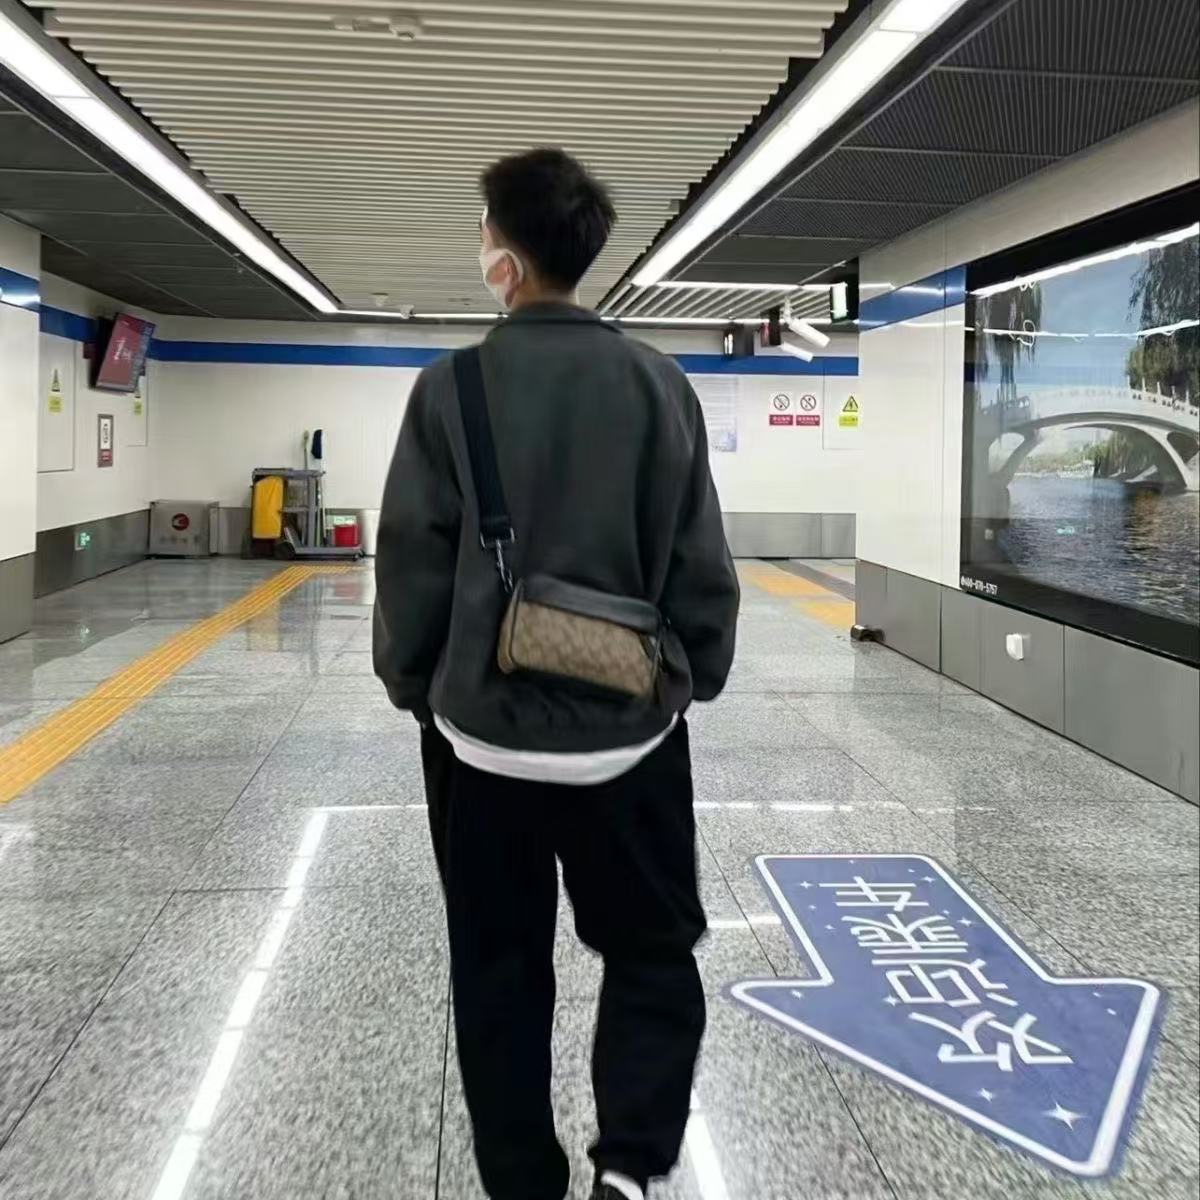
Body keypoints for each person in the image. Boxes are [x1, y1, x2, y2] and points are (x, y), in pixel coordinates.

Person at [373, 147, 739, 1200]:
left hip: (482, 744)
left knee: (497, 966)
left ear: (507, 256)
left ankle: (523, 1181)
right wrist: (692, 674)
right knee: (652, 949)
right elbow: (698, 561)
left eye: (484, 232)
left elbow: (411, 565)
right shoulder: (659, 383)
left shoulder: (450, 389)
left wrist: (419, 688)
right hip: (631, 738)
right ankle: (630, 1166)